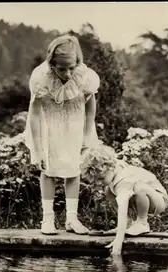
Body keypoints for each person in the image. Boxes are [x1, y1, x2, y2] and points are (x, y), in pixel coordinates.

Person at [23, 34, 101, 235]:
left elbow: (90, 106)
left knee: (74, 169)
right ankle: (47, 219)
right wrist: (39, 148)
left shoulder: (84, 76)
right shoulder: (41, 78)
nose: (67, 73)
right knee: (48, 169)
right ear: (51, 64)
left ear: (77, 62)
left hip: (75, 126)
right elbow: (34, 114)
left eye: (71, 68)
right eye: (61, 69)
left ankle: (72, 219)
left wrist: (87, 133)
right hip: (48, 127)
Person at [80, 144, 168, 256]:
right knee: (108, 190)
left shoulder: (123, 181)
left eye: (101, 178)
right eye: (96, 180)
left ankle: (142, 222)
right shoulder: (114, 168)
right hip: (142, 198)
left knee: (139, 187)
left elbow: (122, 208)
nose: (98, 183)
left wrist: (118, 240)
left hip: (159, 200)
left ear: (110, 168)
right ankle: (129, 222)